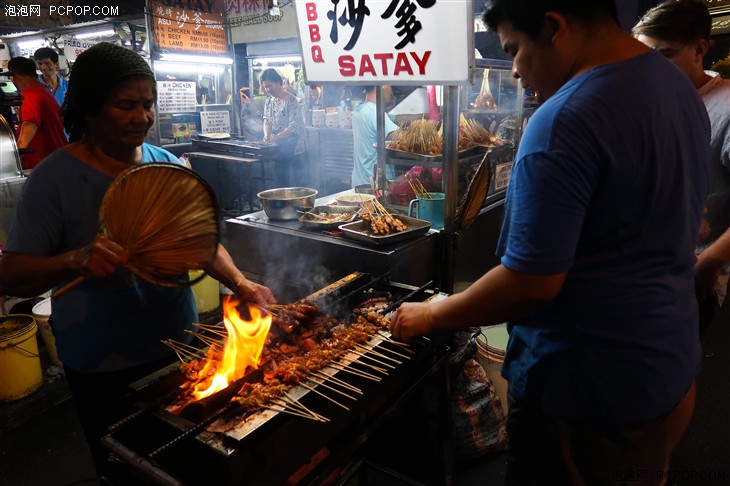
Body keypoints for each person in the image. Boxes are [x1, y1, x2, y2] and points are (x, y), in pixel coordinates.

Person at [389, 1, 710, 484]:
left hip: (584, 396)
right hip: (669, 368)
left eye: (515, 50)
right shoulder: (677, 86)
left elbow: (530, 282)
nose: (514, 70)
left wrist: (432, 313)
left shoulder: (565, 120)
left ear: (555, 27)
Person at [0, 42, 276, 479]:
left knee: (184, 462)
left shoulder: (166, 166)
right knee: (125, 468)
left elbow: (202, 241)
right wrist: (75, 258)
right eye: (126, 105)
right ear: (90, 109)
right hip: (101, 365)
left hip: (178, 348)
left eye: (147, 104)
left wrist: (242, 283)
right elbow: (11, 274)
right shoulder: (53, 180)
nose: (142, 117)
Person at [632, 0, 730, 333]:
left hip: (690, 277)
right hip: (644, 270)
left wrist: (711, 261)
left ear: (700, 48)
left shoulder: (726, 106)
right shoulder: (654, 100)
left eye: (665, 54)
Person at [6, 56, 67, 170]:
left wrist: (12, 161)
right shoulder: (43, 91)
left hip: (44, 166)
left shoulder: (30, 95)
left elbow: (30, 127)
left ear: (14, 74)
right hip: (55, 161)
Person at [260, 68, 307, 187]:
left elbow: (294, 127)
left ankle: (301, 204)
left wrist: (276, 137)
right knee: (281, 181)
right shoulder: (269, 102)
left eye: (270, 86)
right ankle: (282, 205)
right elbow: (266, 121)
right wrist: (266, 135)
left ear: (278, 83)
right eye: (266, 87)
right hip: (279, 149)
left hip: (296, 148)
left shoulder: (292, 101)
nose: (268, 89)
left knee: (299, 182)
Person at [351, 85, 399, 188]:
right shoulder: (374, 112)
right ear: (382, 86)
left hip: (360, 183)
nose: (392, 92)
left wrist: (424, 117)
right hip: (374, 186)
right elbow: (401, 137)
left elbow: (396, 118)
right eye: (390, 84)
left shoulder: (360, 108)